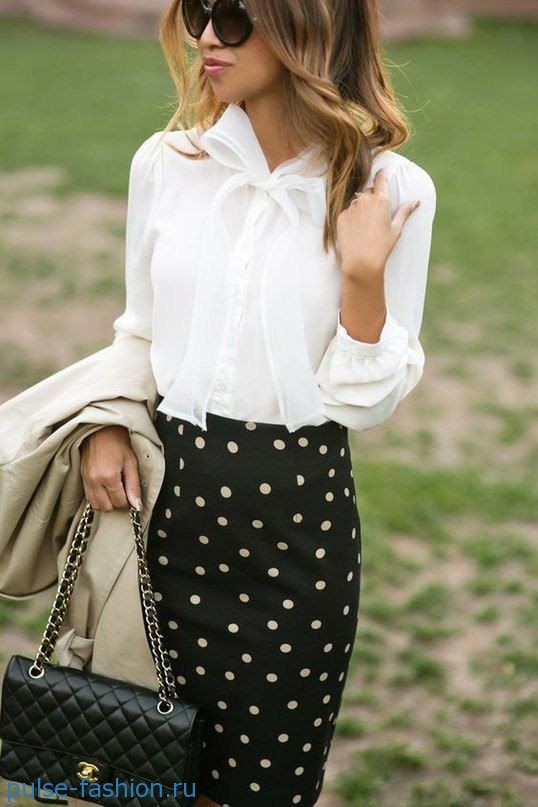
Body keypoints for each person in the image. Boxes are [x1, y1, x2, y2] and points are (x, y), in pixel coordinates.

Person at [76, 0, 437, 805]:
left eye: (236, 15)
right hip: (159, 515)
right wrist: (106, 422)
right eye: (201, 10)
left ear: (310, 24)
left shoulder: (392, 188)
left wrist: (363, 277)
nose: (208, 36)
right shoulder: (165, 163)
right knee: (134, 781)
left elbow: (365, 400)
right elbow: (138, 332)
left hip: (295, 541)